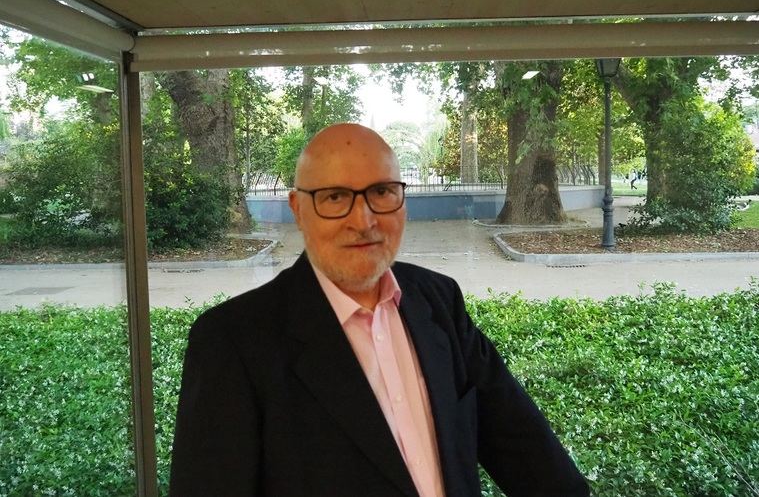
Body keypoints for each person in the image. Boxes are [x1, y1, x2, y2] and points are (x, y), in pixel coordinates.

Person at [169, 123, 589, 497]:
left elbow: (529, 454)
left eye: (381, 192)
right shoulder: (232, 342)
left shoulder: (438, 301)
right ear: (298, 209)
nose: (364, 220)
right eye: (335, 197)